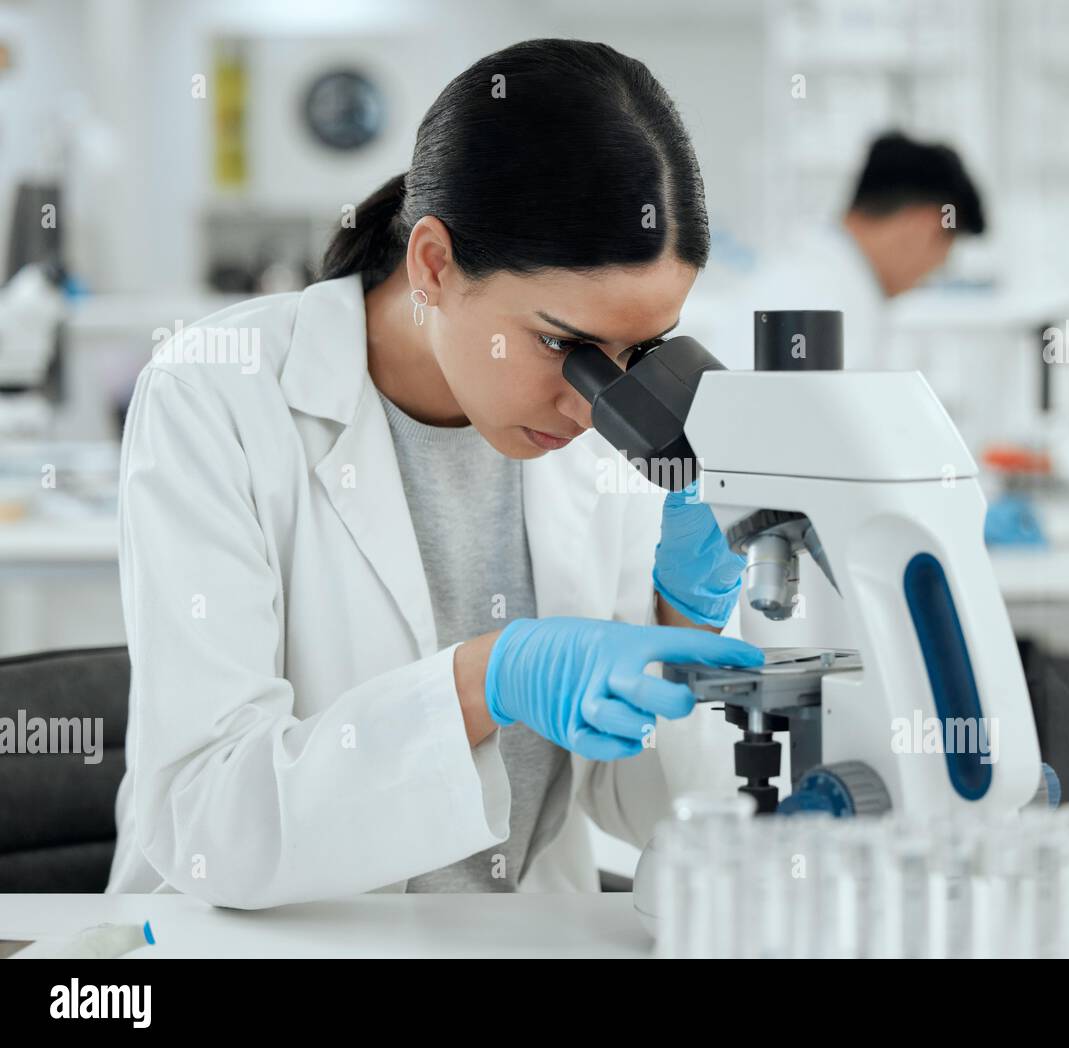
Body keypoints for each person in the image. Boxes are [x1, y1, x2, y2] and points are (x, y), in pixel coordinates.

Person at [105, 39, 766, 909]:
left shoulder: (609, 445)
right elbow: (209, 825)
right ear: (432, 265)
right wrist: (486, 682)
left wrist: (689, 623)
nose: (593, 408)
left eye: (637, 354)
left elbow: (654, 809)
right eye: (564, 345)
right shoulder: (215, 394)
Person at [684, 130, 986, 369]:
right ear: (923, 225)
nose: (934, 271)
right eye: (945, 248)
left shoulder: (821, 279)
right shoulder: (825, 299)